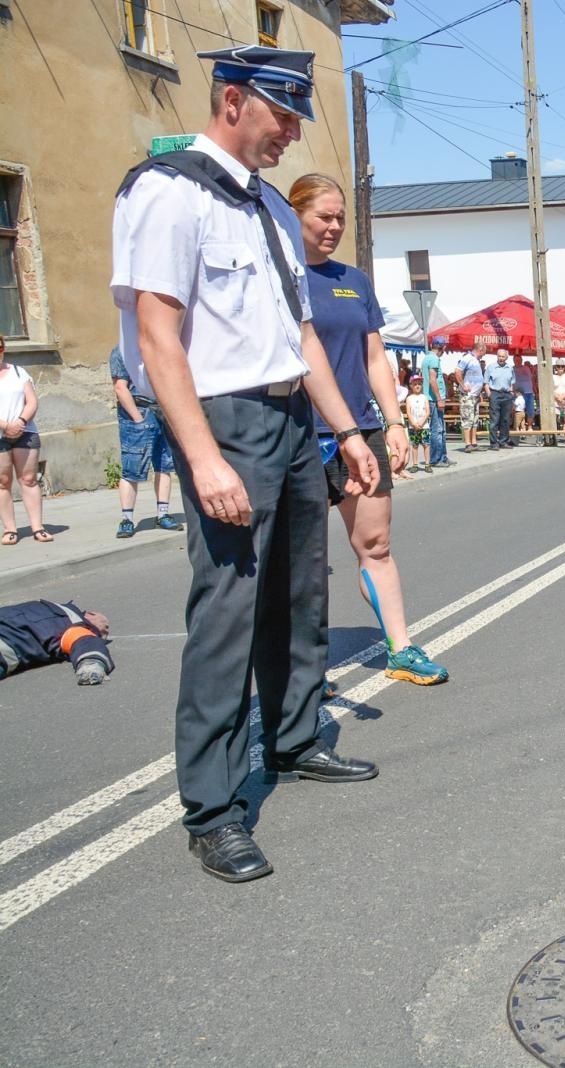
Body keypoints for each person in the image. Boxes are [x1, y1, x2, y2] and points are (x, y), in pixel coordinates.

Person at [112, 45, 382, 883]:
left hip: (293, 416)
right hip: (223, 420)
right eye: (282, 113)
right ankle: (214, 809)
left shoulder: (267, 203)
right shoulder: (165, 192)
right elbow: (159, 337)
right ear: (233, 100)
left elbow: (299, 335)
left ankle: (295, 738)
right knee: (227, 613)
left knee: (300, 591)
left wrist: (348, 431)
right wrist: (203, 459)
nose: (293, 131)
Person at [290, 173, 447, 687]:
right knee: (302, 562)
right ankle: (303, 671)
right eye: (324, 216)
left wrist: (395, 420)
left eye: (341, 217)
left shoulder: (354, 280)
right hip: (300, 434)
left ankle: (400, 649)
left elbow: (375, 356)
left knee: (375, 545)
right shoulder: (280, 276)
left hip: (362, 428)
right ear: (295, 215)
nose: (334, 226)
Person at [109, 345, 184, 538]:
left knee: (164, 465)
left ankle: (162, 515)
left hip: (163, 410)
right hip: (138, 410)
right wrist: (137, 418)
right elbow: (120, 387)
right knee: (132, 468)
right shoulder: (122, 350)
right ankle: (127, 519)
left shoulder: (159, 345)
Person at [0, 336, 47, 545]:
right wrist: (5, 426)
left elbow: (32, 401)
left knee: (29, 479)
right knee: (3, 483)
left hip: (25, 432)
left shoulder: (19, 372)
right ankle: (10, 529)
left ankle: (38, 528)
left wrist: (20, 421)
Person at [0, 600, 112, 685]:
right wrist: (92, 666)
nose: (103, 634)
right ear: (90, 614)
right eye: (104, 629)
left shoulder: (41, 606)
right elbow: (88, 645)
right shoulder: (74, 624)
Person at [420, 339, 452, 468]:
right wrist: (439, 398)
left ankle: (443, 457)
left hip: (433, 398)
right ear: (442, 347)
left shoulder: (427, 357)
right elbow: (433, 380)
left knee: (441, 429)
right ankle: (436, 459)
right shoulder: (433, 359)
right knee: (437, 430)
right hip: (433, 399)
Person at [455, 343, 486, 452]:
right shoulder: (467, 358)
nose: (483, 355)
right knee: (467, 418)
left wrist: (479, 393)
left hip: (475, 395)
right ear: (480, 350)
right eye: (483, 353)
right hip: (467, 395)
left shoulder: (475, 360)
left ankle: (474, 442)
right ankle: (468, 444)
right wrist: (463, 385)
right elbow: (458, 371)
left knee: (474, 419)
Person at [484, 348, 517, 449]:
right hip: (495, 394)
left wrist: (511, 393)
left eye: (503, 356)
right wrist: (490, 394)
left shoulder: (510, 368)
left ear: (506, 357)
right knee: (494, 420)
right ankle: (494, 443)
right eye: (499, 356)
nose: (501, 358)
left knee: (506, 420)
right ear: (497, 356)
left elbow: (512, 382)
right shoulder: (491, 367)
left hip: (507, 395)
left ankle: (503, 441)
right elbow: (486, 383)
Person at [402, 375, 432, 472]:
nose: (417, 386)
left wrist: (422, 422)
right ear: (411, 386)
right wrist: (414, 424)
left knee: (426, 444)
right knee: (414, 445)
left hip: (424, 426)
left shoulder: (424, 397)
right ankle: (415, 464)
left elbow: (427, 411)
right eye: (415, 384)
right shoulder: (409, 398)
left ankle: (427, 464)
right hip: (413, 426)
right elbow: (408, 412)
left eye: (419, 384)